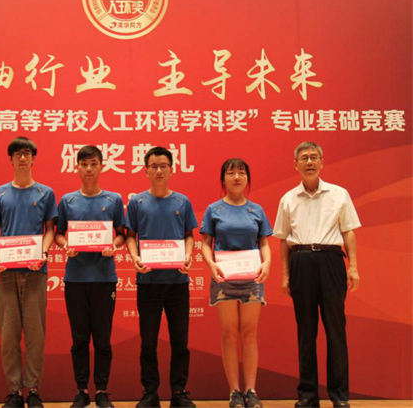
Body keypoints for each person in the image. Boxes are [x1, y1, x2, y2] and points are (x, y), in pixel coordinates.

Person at [274, 142, 361, 408]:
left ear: (322, 162)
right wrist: (285, 274)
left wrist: (353, 267)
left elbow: (348, 231)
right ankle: (307, 396)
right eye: (304, 158)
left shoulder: (339, 194)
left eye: (314, 157)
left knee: (336, 330)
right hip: (301, 262)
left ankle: (340, 396)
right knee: (306, 331)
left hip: (331, 261)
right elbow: (283, 239)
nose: (309, 162)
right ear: (296, 165)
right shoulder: (288, 199)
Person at [54, 145, 126, 408]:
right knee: (80, 339)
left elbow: (122, 234)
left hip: (104, 278)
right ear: (77, 167)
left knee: (103, 339)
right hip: (75, 279)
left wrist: (114, 246)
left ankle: (102, 391)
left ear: (101, 166)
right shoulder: (68, 201)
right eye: (84, 164)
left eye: (93, 163)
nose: (88, 169)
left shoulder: (113, 200)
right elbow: (59, 233)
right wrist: (65, 246)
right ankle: (82, 390)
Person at [126, 146, 198, 408]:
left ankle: (179, 391)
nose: (158, 170)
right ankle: (150, 393)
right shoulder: (137, 203)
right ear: (146, 170)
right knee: (148, 342)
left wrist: (188, 255)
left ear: (171, 169)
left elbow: (189, 235)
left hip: (177, 282)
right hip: (148, 282)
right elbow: (130, 237)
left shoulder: (182, 202)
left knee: (180, 341)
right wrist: (135, 257)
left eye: (163, 165)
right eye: (154, 166)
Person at [0, 137, 57, 408]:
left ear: (33, 158)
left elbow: (50, 230)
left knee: (35, 336)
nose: (22, 158)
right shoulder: (0, 193)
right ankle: (15, 392)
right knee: (8, 337)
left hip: (35, 272)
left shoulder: (45, 193)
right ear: (10, 159)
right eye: (17, 154)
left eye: (27, 153)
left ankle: (34, 390)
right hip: (6, 272)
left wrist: (43, 253)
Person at [200, 159, 272, 408]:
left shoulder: (256, 210)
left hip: (252, 278)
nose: (237, 177)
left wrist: (267, 263)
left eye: (241, 172)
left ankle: (251, 390)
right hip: (224, 279)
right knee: (229, 335)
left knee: (249, 334)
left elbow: (264, 243)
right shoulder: (214, 209)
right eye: (231, 173)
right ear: (223, 179)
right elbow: (205, 244)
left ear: (247, 178)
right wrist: (211, 265)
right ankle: (234, 392)